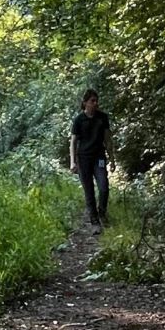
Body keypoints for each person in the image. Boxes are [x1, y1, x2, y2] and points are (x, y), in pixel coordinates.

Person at [70, 88, 112, 235]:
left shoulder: (103, 118)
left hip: (99, 157)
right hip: (84, 159)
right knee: (89, 191)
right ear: (85, 103)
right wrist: (73, 162)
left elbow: (108, 139)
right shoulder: (78, 120)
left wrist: (112, 159)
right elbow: (73, 142)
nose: (95, 103)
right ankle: (94, 221)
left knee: (104, 187)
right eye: (92, 101)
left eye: (96, 100)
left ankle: (102, 212)